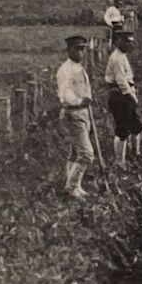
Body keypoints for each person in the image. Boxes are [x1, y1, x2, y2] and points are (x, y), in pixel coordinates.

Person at [56, 35, 94, 199]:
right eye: (77, 49)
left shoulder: (78, 68)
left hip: (83, 113)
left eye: (82, 49)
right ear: (69, 50)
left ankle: (75, 186)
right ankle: (70, 188)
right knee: (86, 154)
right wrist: (80, 101)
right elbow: (65, 96)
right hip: (73, 113)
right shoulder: (66, 70)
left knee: (75, 152)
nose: (80, 52)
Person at [104, 29, 142, 168]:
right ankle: (120, 162)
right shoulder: (116, 58)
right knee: (123, 129)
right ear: (118, 42)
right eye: (126, 42)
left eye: (130, 42)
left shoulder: (122, 56)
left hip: (125, 94)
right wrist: (132, 97)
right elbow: (121, 82)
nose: (129, 45)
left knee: (136, 125)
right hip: (120, 96)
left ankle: (136, 154)